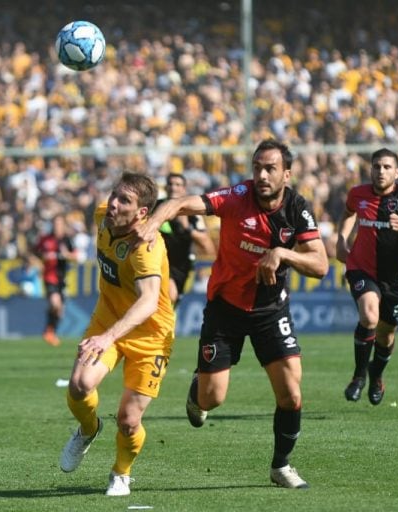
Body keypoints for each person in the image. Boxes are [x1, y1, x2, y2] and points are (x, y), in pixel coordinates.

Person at [135, 139, 329, 489]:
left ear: (286, 174)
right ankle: (197, 392)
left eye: (270, 168)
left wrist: (283, 255)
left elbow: (320, 264)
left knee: (292, 393)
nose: (262, 175)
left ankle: (281, 466)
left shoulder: (297, 209)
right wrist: (152, 223)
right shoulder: (237, 197)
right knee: (214, 398)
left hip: (270, 309)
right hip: (225, 308)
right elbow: (181, 204)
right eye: (257, 167)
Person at [59, 172, 175, 497]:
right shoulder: (101, 215)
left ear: (142, 213)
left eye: (125, 200)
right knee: (80, 385)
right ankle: (88, 428)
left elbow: (149, 301)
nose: (114, 204)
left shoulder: (146, 247)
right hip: (107, 318)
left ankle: (121, 473)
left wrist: (107, 338)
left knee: (128, 419)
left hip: (150, 335)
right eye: (114, 195)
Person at [336, 148, 398, 406]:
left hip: (394, 278)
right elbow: (348, 213)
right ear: (370, 169)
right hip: (362, 268)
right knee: (369, 315)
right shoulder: (357, 194)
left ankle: (376, 375)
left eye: (386, 167)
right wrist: (341, 239)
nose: (381, 171)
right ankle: (358, 376)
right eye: (376, 166)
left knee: (386, 335)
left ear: (396, 172)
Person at [158, 173, 216, 305]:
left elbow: (208, 247)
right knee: (169, 296)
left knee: (172, 304)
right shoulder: (156, 207)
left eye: (178, 185)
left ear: (184, 189)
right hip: (157, 262)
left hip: (180, 266)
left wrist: (187, 228)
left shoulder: (192, 214)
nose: (173, 188)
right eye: (170, 184)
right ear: (165, 187)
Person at [33, 215, 79, 346]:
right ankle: (49, 331)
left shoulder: (67, 240)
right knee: (55, 304)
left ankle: (50, 331)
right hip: (49, 277)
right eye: (55, 224)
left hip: (62, 279)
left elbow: (76, 256)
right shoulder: (45, 239)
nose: (57, 227)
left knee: (59, 310)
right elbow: (33, 254)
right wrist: (40, 261)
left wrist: (67, 255)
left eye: (60, 224)